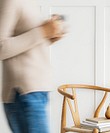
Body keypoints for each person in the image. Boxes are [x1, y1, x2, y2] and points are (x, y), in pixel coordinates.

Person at [0, 0, 65, 132]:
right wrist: (43, 32)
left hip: (36, 91)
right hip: (24, 92)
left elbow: (27, 45)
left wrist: (49, 37)